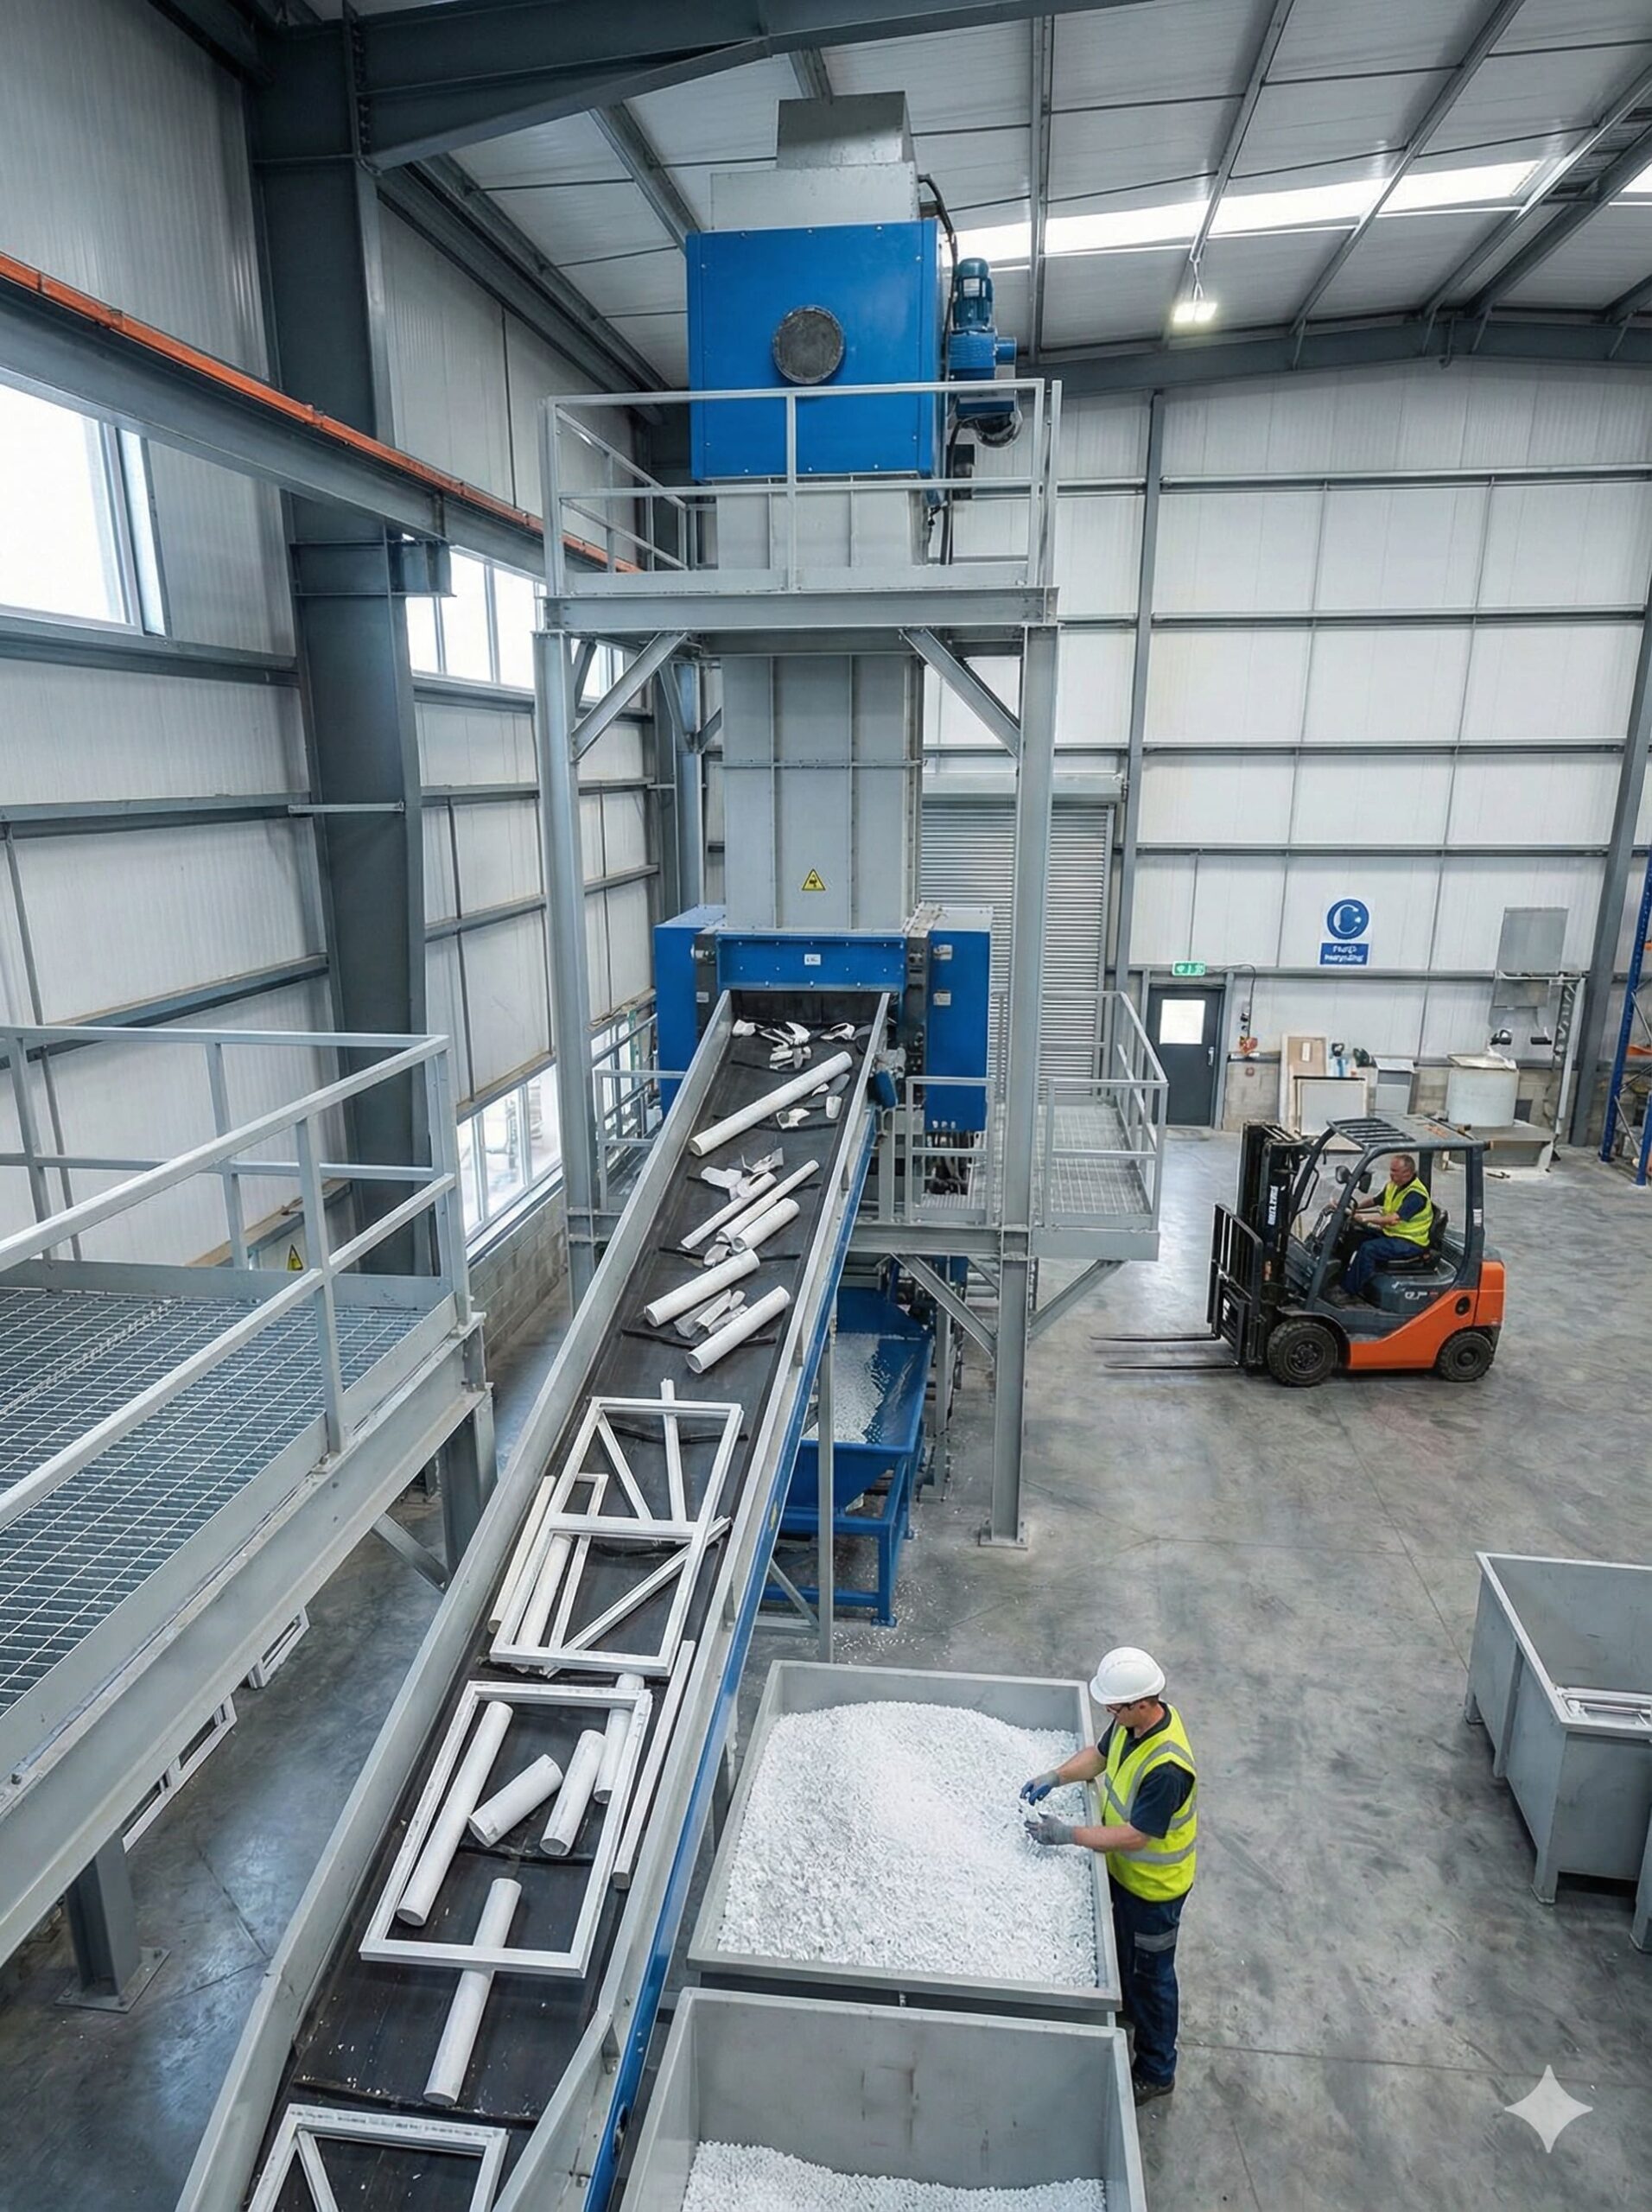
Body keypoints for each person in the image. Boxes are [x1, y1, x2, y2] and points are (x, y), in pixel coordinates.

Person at [1021, 1647, 1196, 2106]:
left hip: (1155, 1890)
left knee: (1153, 1977)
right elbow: (1099, 1758)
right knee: (1129, 1960)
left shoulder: (1167, 1768)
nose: (1110, 1715)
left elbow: (1137, 1835)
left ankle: (1157, 2070)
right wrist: (1055, 1776)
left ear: (1143, 1703)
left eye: (1115, 1708)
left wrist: (1069, 1835)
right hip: (1124, 1874)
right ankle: (1130, 2012)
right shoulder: (1131, 1724)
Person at [1337, 1149, 1433, 1302]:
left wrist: (1367, 1219)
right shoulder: (1393, 1186)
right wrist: (1353, 1208)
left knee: (1369, 1249)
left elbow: (1393, 1219)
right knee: (1352, 1233)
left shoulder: (1416, 1195)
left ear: (1407, 1173)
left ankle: (1350, 1292)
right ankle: (1338, 1278)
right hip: (1392, 1234)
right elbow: (1375, 1201)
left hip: (1410, 1243)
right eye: (1391, 1170)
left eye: (1394, 1171)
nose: (1391, 1174)